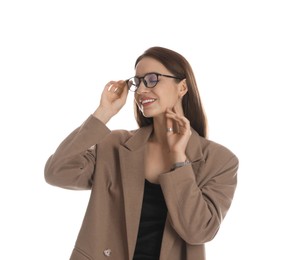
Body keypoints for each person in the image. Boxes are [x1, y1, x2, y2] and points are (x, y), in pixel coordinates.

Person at [44, 46, 238, 260]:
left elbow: (198, 231)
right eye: (138, 81)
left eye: (153, 79)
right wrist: (104, 113)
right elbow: (57, 171)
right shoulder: (115, 144)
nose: (142, 90)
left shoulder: (220, 161)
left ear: (182, 87)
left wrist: (179, 159)